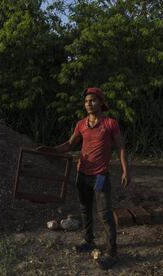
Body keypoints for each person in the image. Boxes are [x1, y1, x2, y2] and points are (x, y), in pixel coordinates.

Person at [37, 87, 130, 270]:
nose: (89, 103)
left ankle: (112, 252)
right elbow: (70, 144)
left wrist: (126, 171)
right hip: (82, 174)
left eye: (93, 100)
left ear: (101, 103)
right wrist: (51, 150)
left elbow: (120, 147)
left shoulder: (110, 124)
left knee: (104, 213)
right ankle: (89, 241)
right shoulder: (81, 124)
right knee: (85, 209)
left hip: (100, 176)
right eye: (87, 101)